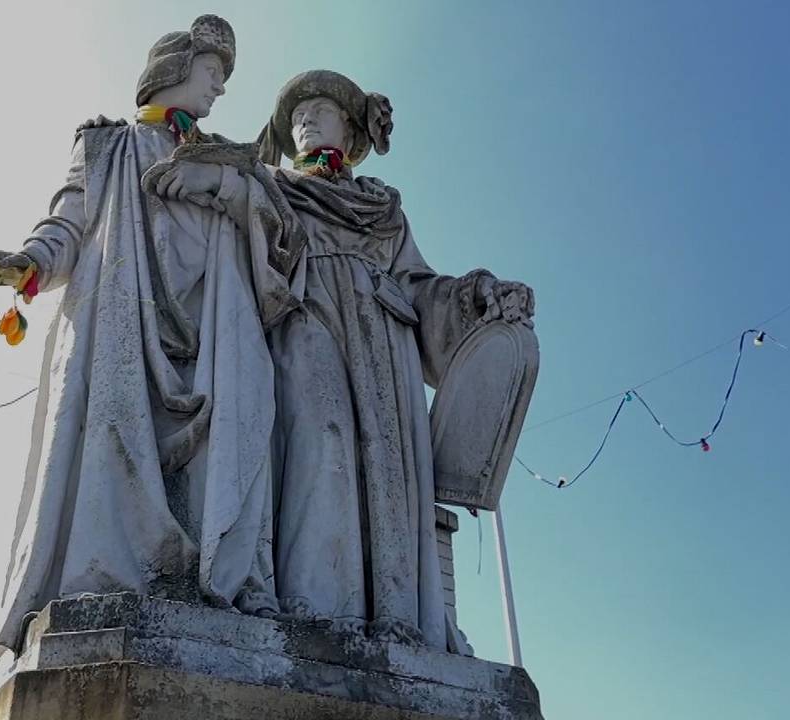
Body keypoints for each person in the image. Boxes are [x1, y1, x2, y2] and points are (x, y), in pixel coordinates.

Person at [0, 16, 302, 699]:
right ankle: (106, 576)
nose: (219, 91)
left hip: (214, 336)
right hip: (124, 322)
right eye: (213, 75)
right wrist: (27, 264)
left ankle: (221, 577)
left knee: (233, 443)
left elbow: (277, 240)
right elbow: (66, 221)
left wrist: (229, 191)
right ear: (175, 66)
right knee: (112, 433)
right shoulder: (108, 145)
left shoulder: (227, 164)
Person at [149, 70, 534, 652]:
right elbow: (245, 224)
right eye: (298, 113)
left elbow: (418, 285)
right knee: (320, 436)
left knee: (385, 468)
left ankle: (393, 617)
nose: (304, 119)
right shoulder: (274, 184)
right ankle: (312, 603)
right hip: (307, 314)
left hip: (384, 337)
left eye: (319, 109)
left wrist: (475, 295)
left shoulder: (383, 208)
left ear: (349, 127)